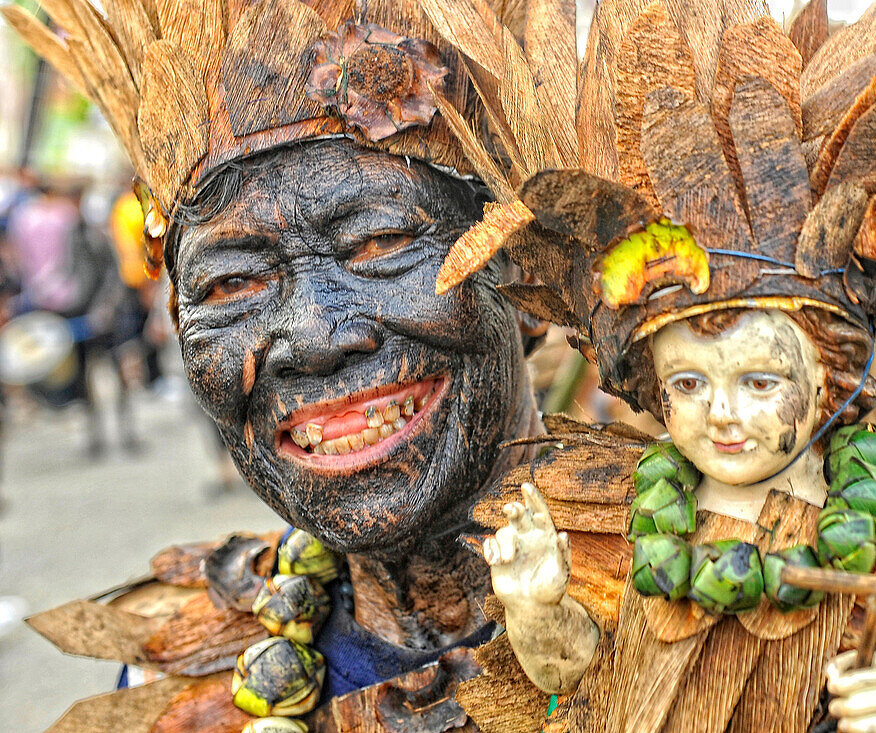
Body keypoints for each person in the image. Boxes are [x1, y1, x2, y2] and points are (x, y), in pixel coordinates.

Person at [425, 0, 876, 730]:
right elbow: (576, 676)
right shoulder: (628, 517)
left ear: (827, 383)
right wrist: (538, 609)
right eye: (688, 383)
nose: (721, 410)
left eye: (758, 381)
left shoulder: (875, 518)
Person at [3, 0, 544, 729]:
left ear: (530, 282)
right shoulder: (179, 677)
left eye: (377, 242)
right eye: (231, 285)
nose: (316, 335)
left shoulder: (720, 595)